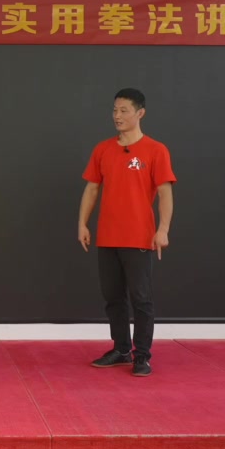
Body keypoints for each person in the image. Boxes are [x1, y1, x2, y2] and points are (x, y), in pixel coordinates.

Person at [77, 88, 176, 377]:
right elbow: (92, 188)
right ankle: (121, 349)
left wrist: (163, 229)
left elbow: (165, 193)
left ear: (140, 113)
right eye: (114, 110)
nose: (117, 116)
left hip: (138, 237)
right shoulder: (103, 149)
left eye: (124, 111)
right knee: (113, 297)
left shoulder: (156, 150)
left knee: (141, 299)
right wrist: (82, 223)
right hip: (108, 237)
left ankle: (142, 355)